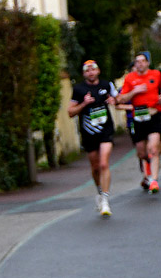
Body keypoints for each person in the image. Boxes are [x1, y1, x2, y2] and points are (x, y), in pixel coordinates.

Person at [68, 60, 117, 217]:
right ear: (84, 74)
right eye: (87, 70)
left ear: (98, 71)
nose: (90, 72)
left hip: (105, 130)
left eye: (93, 69)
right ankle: (100, 192)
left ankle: (105, 200)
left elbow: (119, 99)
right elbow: (70, 112)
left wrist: (114, 100)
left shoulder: (106, 85)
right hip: (89, 132)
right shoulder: (79, 89)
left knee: (104, 164)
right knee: (95, 167)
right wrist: (84, 103)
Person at [117, 51, 161, 194]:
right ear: (135, 64)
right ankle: (147, 167)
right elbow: (121, 99)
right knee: (142, 152)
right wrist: (134, 91)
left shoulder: (156, 75)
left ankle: (154, 180)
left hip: (154, 115)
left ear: (148, 63)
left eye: (143, 61)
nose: (140, 64)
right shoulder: (130, 78)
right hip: (138, 118)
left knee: (153, 148)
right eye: (137, 61)